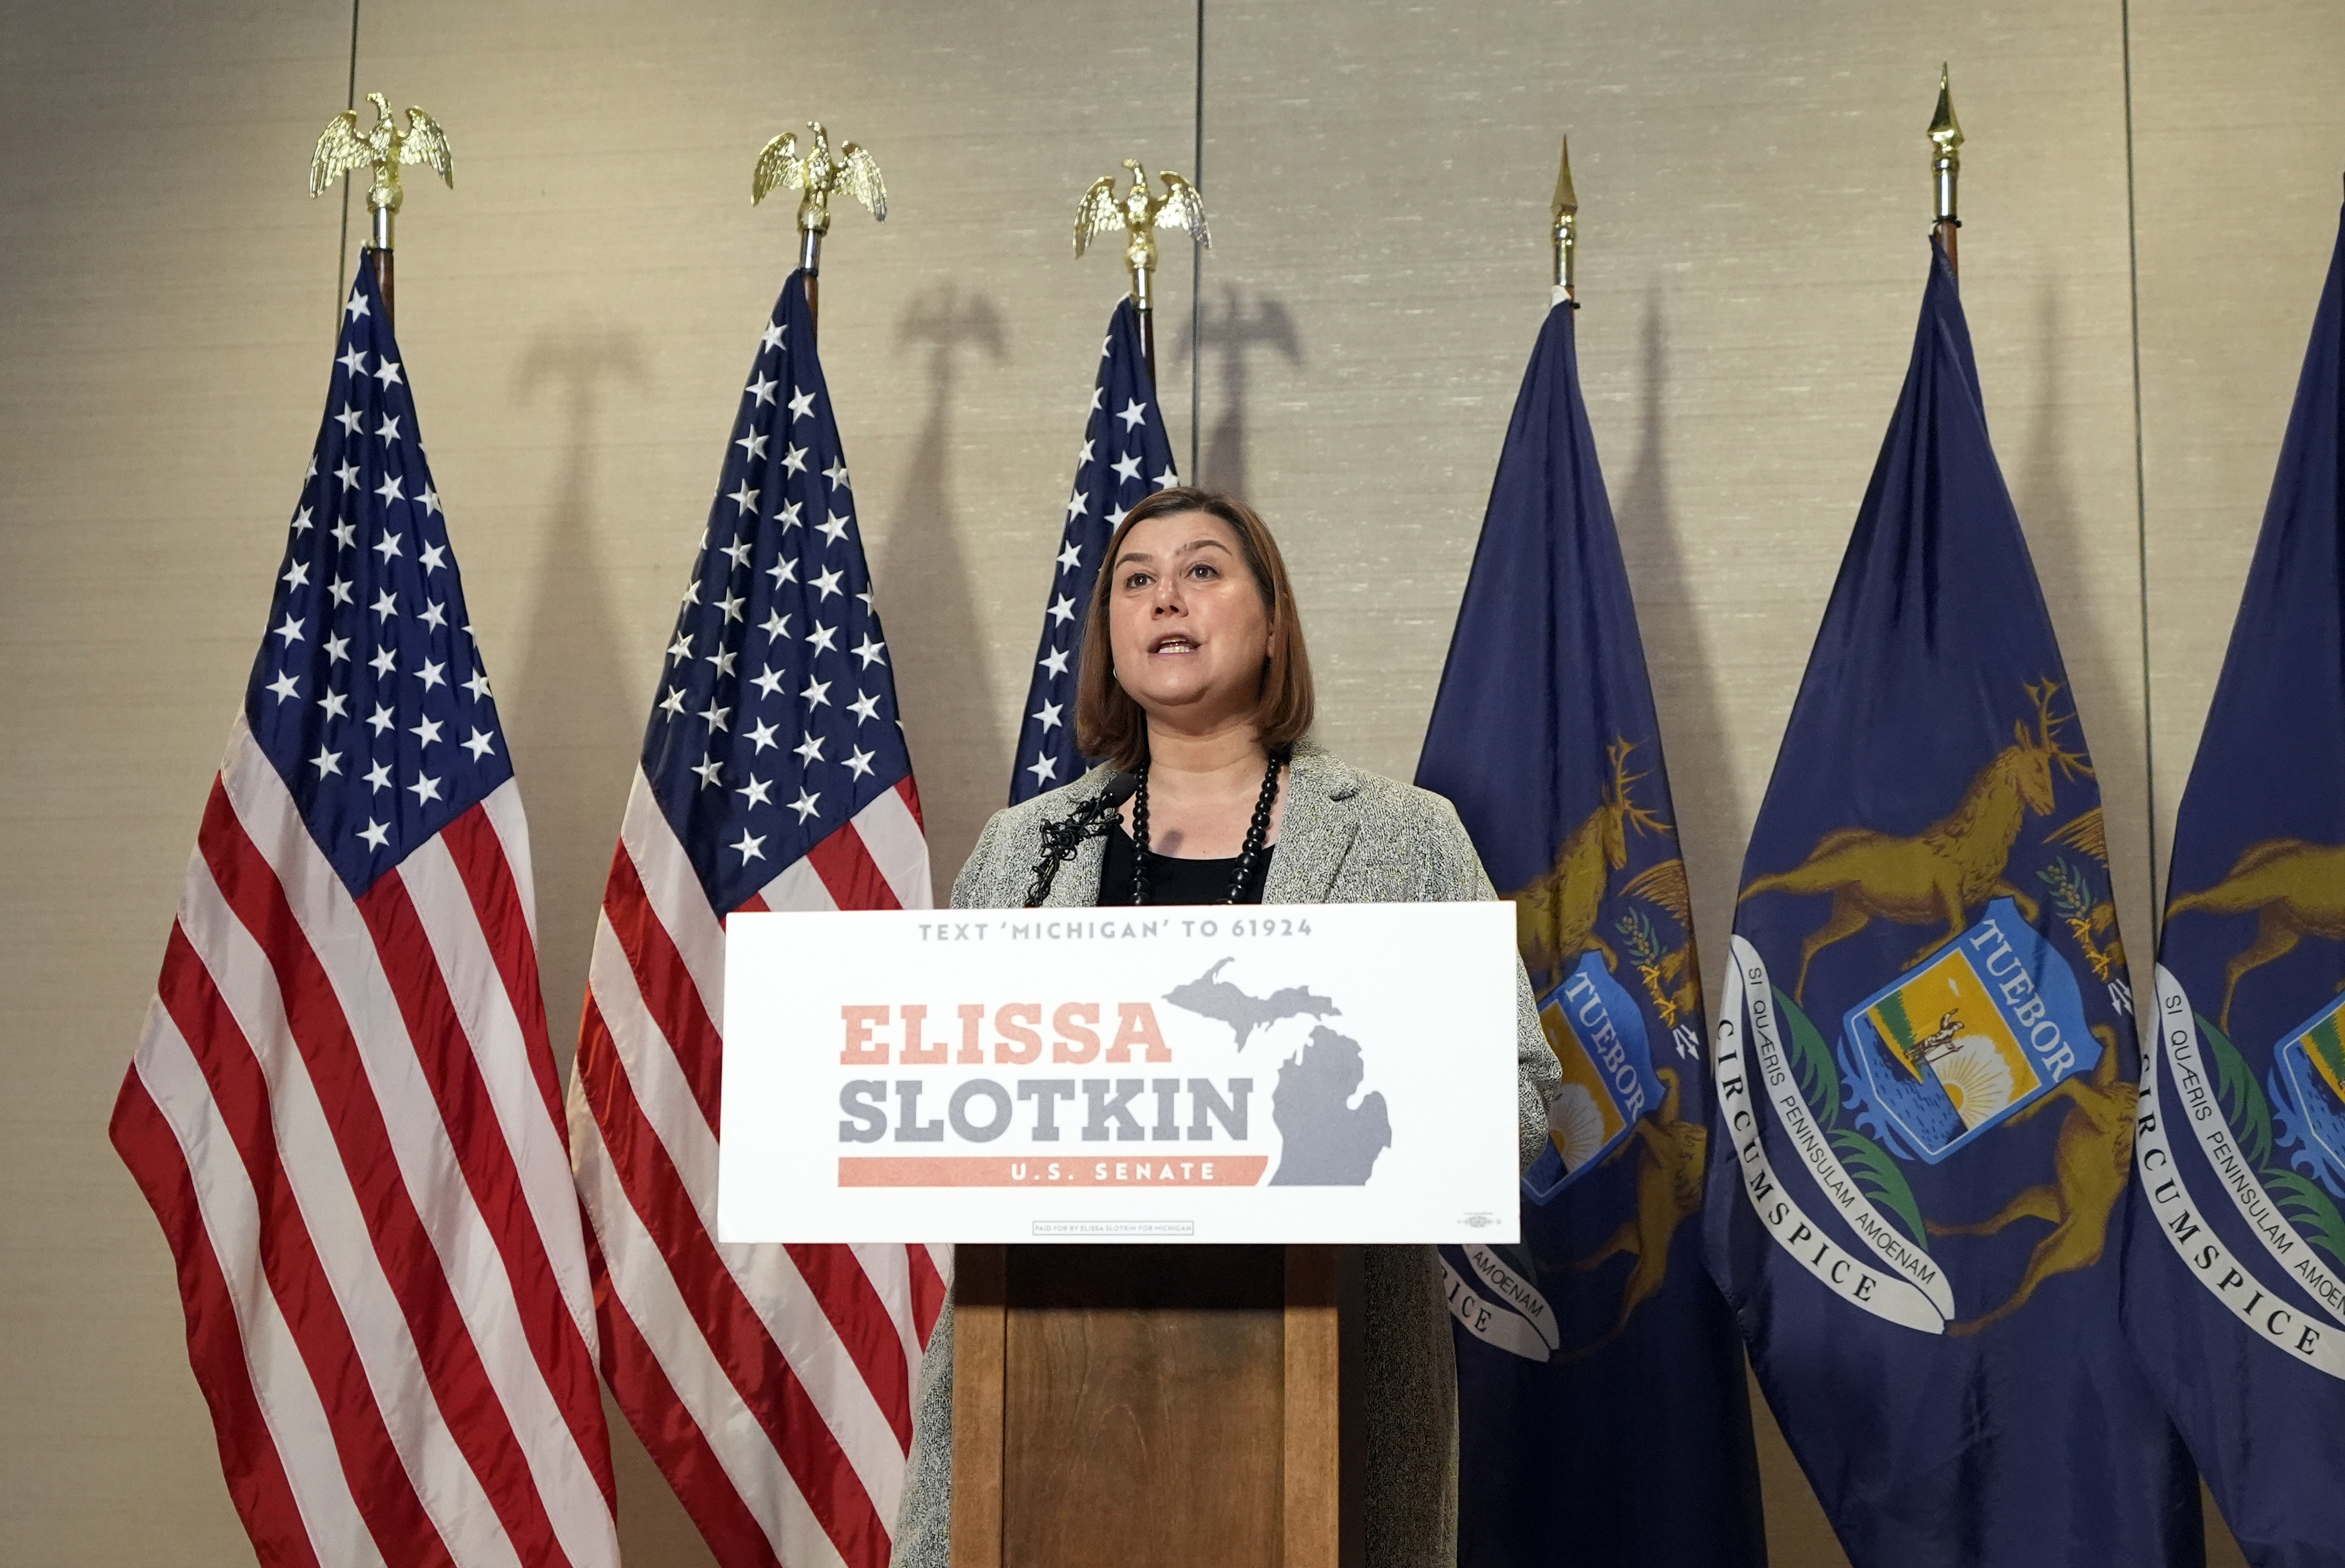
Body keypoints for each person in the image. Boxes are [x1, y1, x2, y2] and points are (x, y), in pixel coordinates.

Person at [891, 487, 1560, 1568]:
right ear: (1109, 632)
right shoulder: (1024, 850)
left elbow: (1520, 1100)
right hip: (1045, 1384)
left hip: (1328, 1367)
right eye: (1137, 580)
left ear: (1273, 621)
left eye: (1204, 571)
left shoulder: (1403, 836)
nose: (1168, 598)